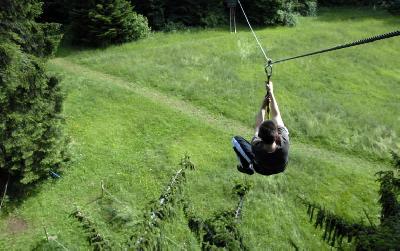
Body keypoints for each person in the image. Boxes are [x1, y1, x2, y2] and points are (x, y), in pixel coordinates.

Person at [232, 81, 289, 175]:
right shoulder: (284, 142)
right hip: (280, 168)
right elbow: (276, 116)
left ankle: (245, 166)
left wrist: (263, 106)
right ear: (276, 135)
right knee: (284, 130)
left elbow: (258, 127)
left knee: (235, 140)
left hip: (262, 170)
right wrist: (271, 92)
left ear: (260, 138)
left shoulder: (256, 147)